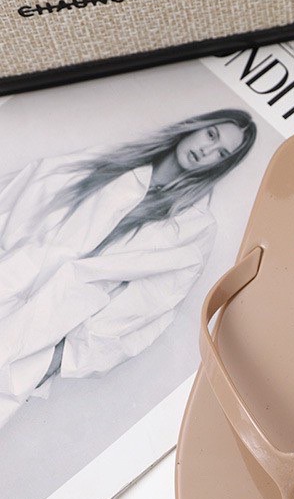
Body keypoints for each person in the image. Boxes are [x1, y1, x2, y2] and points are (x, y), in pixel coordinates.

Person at [0, 108, 257, 430]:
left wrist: (61, 358)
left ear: (222, 166)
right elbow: (23, 194)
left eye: (220, 153)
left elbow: (149, 306)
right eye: (211, 135)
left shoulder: (194, 227)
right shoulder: (112, 161)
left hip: (38, 338)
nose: (207, 150)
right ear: (195, 127)